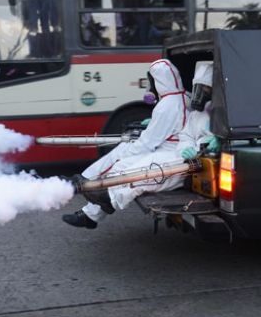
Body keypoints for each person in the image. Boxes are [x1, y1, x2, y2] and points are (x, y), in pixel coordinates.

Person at [62, 59, 188, 229]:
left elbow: (149, 142)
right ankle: (89, 210)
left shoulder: (167, 105)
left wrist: (131, 149)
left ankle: (86, 187)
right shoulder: (183, 97)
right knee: (121, 161)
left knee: (121, 162)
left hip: (168, 150)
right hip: (169, 146)